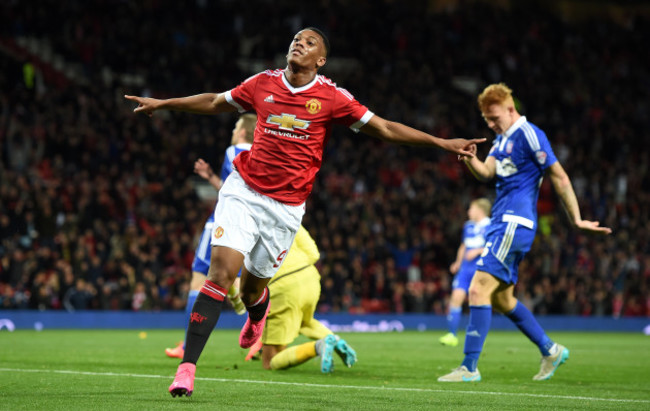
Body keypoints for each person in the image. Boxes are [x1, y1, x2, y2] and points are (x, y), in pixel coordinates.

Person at [125, 27, 484, 398]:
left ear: (321, 60)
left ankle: (257, 310)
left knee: (251, 289)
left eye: (310, 43)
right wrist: (163, 103)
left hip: (285, 210)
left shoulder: (331, 96)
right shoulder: (262, 83)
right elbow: (216, 101)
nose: (300, 43)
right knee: (219, 274)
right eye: (297, 39)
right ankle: (187, 369)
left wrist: (442, 143)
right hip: (243, 191)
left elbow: (385, 128)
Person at [438, 83, 612, 383]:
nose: (491, 125)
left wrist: (577, 220)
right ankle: (551, 350)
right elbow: (487, 173)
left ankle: (469, 367)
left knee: (478, 288)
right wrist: (469, 158)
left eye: (494, 118)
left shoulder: (529, 134)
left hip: (513, 222)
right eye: (486, 120)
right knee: (502, 301)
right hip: (501, 223)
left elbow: (558, 175)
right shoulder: (501, 139)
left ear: (510, 108)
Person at [165, 113, 256, 359]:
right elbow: (236, 188)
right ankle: (260, 337)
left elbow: (232, 189)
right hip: (246, 227)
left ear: (243, 132)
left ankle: (186, 346)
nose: (234, 130)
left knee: (198, 282)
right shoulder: (263, 156)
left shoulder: (234, 150)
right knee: (239, 284)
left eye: (236, 126)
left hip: (219, 225)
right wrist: (211, 178)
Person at [244, 225, 357, 373]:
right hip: (309, 279)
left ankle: (319, 346)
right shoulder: (287, 215)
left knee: (270, 361)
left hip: (281, 286)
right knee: (304, 322)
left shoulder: (246, 219)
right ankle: (334, 340)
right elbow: (313, 253)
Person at [439, 198, 491, 347]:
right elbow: (463, 246)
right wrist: (457, 262)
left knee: (478, 302)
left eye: (471, 209)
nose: (469, 212)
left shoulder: (490, 226)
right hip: (465, 270)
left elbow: (494, 246)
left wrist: (478, 251)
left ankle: (479, 335)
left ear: (480, 210)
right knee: (455, 298)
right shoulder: (468, 226)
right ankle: (452, 335)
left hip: (481, 270)